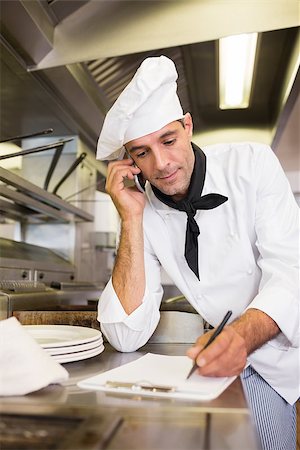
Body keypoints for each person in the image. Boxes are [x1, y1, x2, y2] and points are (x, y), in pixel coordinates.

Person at [96, 55, 299, 450]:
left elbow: (292, 271)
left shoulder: (252, 165)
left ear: (188, 126)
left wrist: (240, 338)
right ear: (130, 161)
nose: (162, 164)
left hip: (281, 349)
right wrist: (131, 219)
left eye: (168, 141)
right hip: (219, 359)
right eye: (141, 153)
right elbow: (125, 334)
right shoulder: (144, 207)